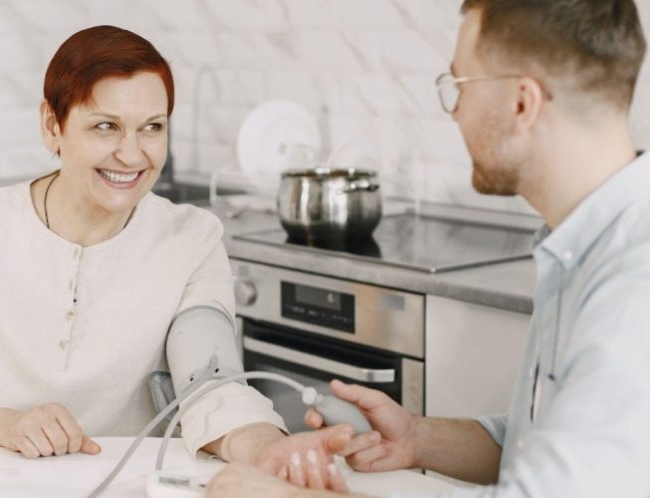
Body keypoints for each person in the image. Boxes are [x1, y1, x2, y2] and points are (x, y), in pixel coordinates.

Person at [207, 0, 650, 496]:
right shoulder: (581, 245)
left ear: (522, 103)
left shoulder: (634, 283)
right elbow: (540, 447)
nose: (455, 111)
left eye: (459, 86)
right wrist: (418, 438)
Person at [0, 25, 351, 478]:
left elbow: (212, 386)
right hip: (9, 481)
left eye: (152, 128)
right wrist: (7, 423)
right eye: (106, 126)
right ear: (51, 125)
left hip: (136, 483)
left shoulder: (192, 239)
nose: (132, 154)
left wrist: (264, 447)